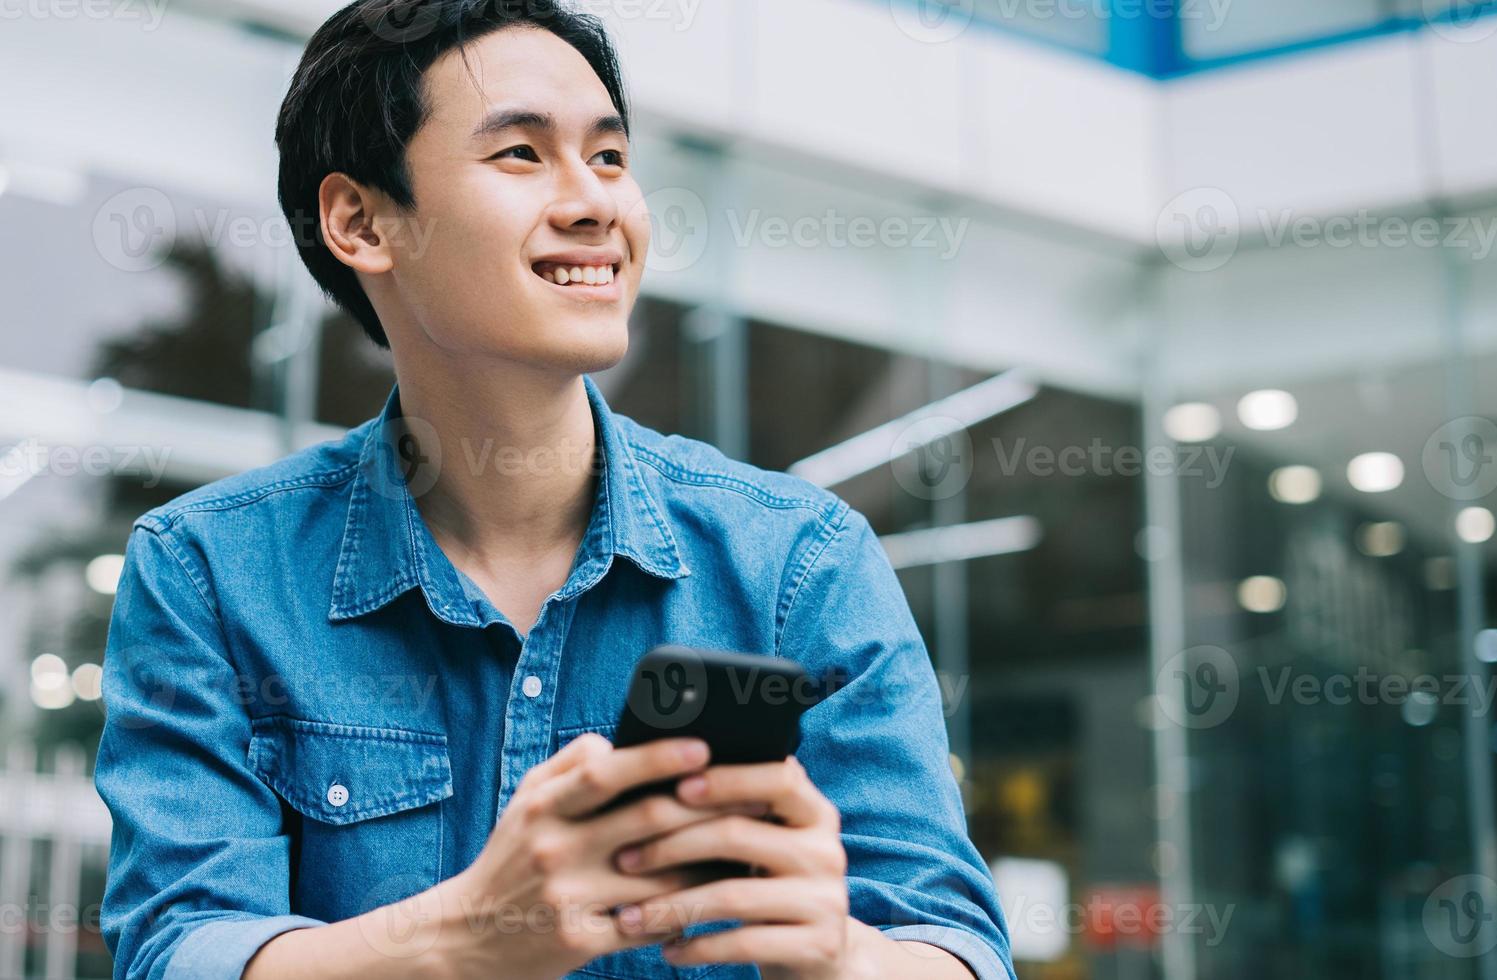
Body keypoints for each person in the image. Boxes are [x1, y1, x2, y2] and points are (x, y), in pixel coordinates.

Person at [93, 2, 1014, 978]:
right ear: (360, 220)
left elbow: (954, 945)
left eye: (610, 158)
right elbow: (177, 945)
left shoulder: (798, 562)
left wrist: (841, 956)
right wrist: (463, 936)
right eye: (522, 155)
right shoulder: (209, 572)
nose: (595, 204)